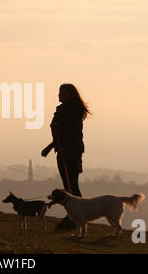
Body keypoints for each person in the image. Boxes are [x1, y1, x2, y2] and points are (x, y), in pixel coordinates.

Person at [41, 83, 91, 229]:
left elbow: (68, 132)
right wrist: (50, 147)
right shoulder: (66, 109)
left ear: (68, 94)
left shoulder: (73, 111)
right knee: (69, 184)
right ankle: (75, 216)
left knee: (71, 185)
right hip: (65, 149)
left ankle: (75, 217)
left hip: (70, 151)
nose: (58, 95)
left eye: (61, 93)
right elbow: (60, 131)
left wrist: (52, 142)